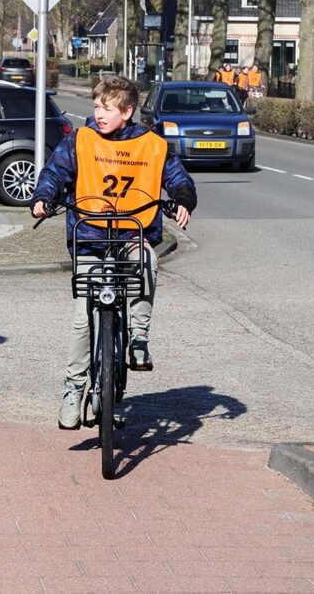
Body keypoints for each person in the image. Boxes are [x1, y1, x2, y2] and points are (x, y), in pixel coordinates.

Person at [30, 76, 197, 430]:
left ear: (127, 111)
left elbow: (179, 178)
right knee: (81, 318)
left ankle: (138, 337)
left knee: (146, 260)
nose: (99, 114)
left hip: (131, 233)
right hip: (90, 235)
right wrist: (44, 196)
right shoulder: (81, 139)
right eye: (96, 107)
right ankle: (73, 390)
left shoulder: (153, 145)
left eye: (107, 109)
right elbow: (55, 172)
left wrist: (183, 198)